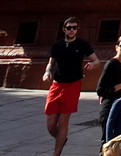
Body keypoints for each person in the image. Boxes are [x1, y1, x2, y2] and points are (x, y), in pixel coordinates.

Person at [43, 16, 99, 156]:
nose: (72, 30)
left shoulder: (82, 44)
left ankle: (56, 153)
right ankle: (61, 139)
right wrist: (47, 71)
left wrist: (92, 64)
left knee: (63, 121)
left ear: (77, 29)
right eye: (69, 28)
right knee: (51, 124)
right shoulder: (57, 45)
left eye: (74, 28)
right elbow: (51, 62)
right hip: (57, 85)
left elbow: (96, 60)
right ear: (64, 29)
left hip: (72, 85)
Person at [97, 34, 121, 146]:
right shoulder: (111, 64)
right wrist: (120, 85)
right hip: (110, 106)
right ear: (116, 47)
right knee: (108, 142)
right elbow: (100, 90)